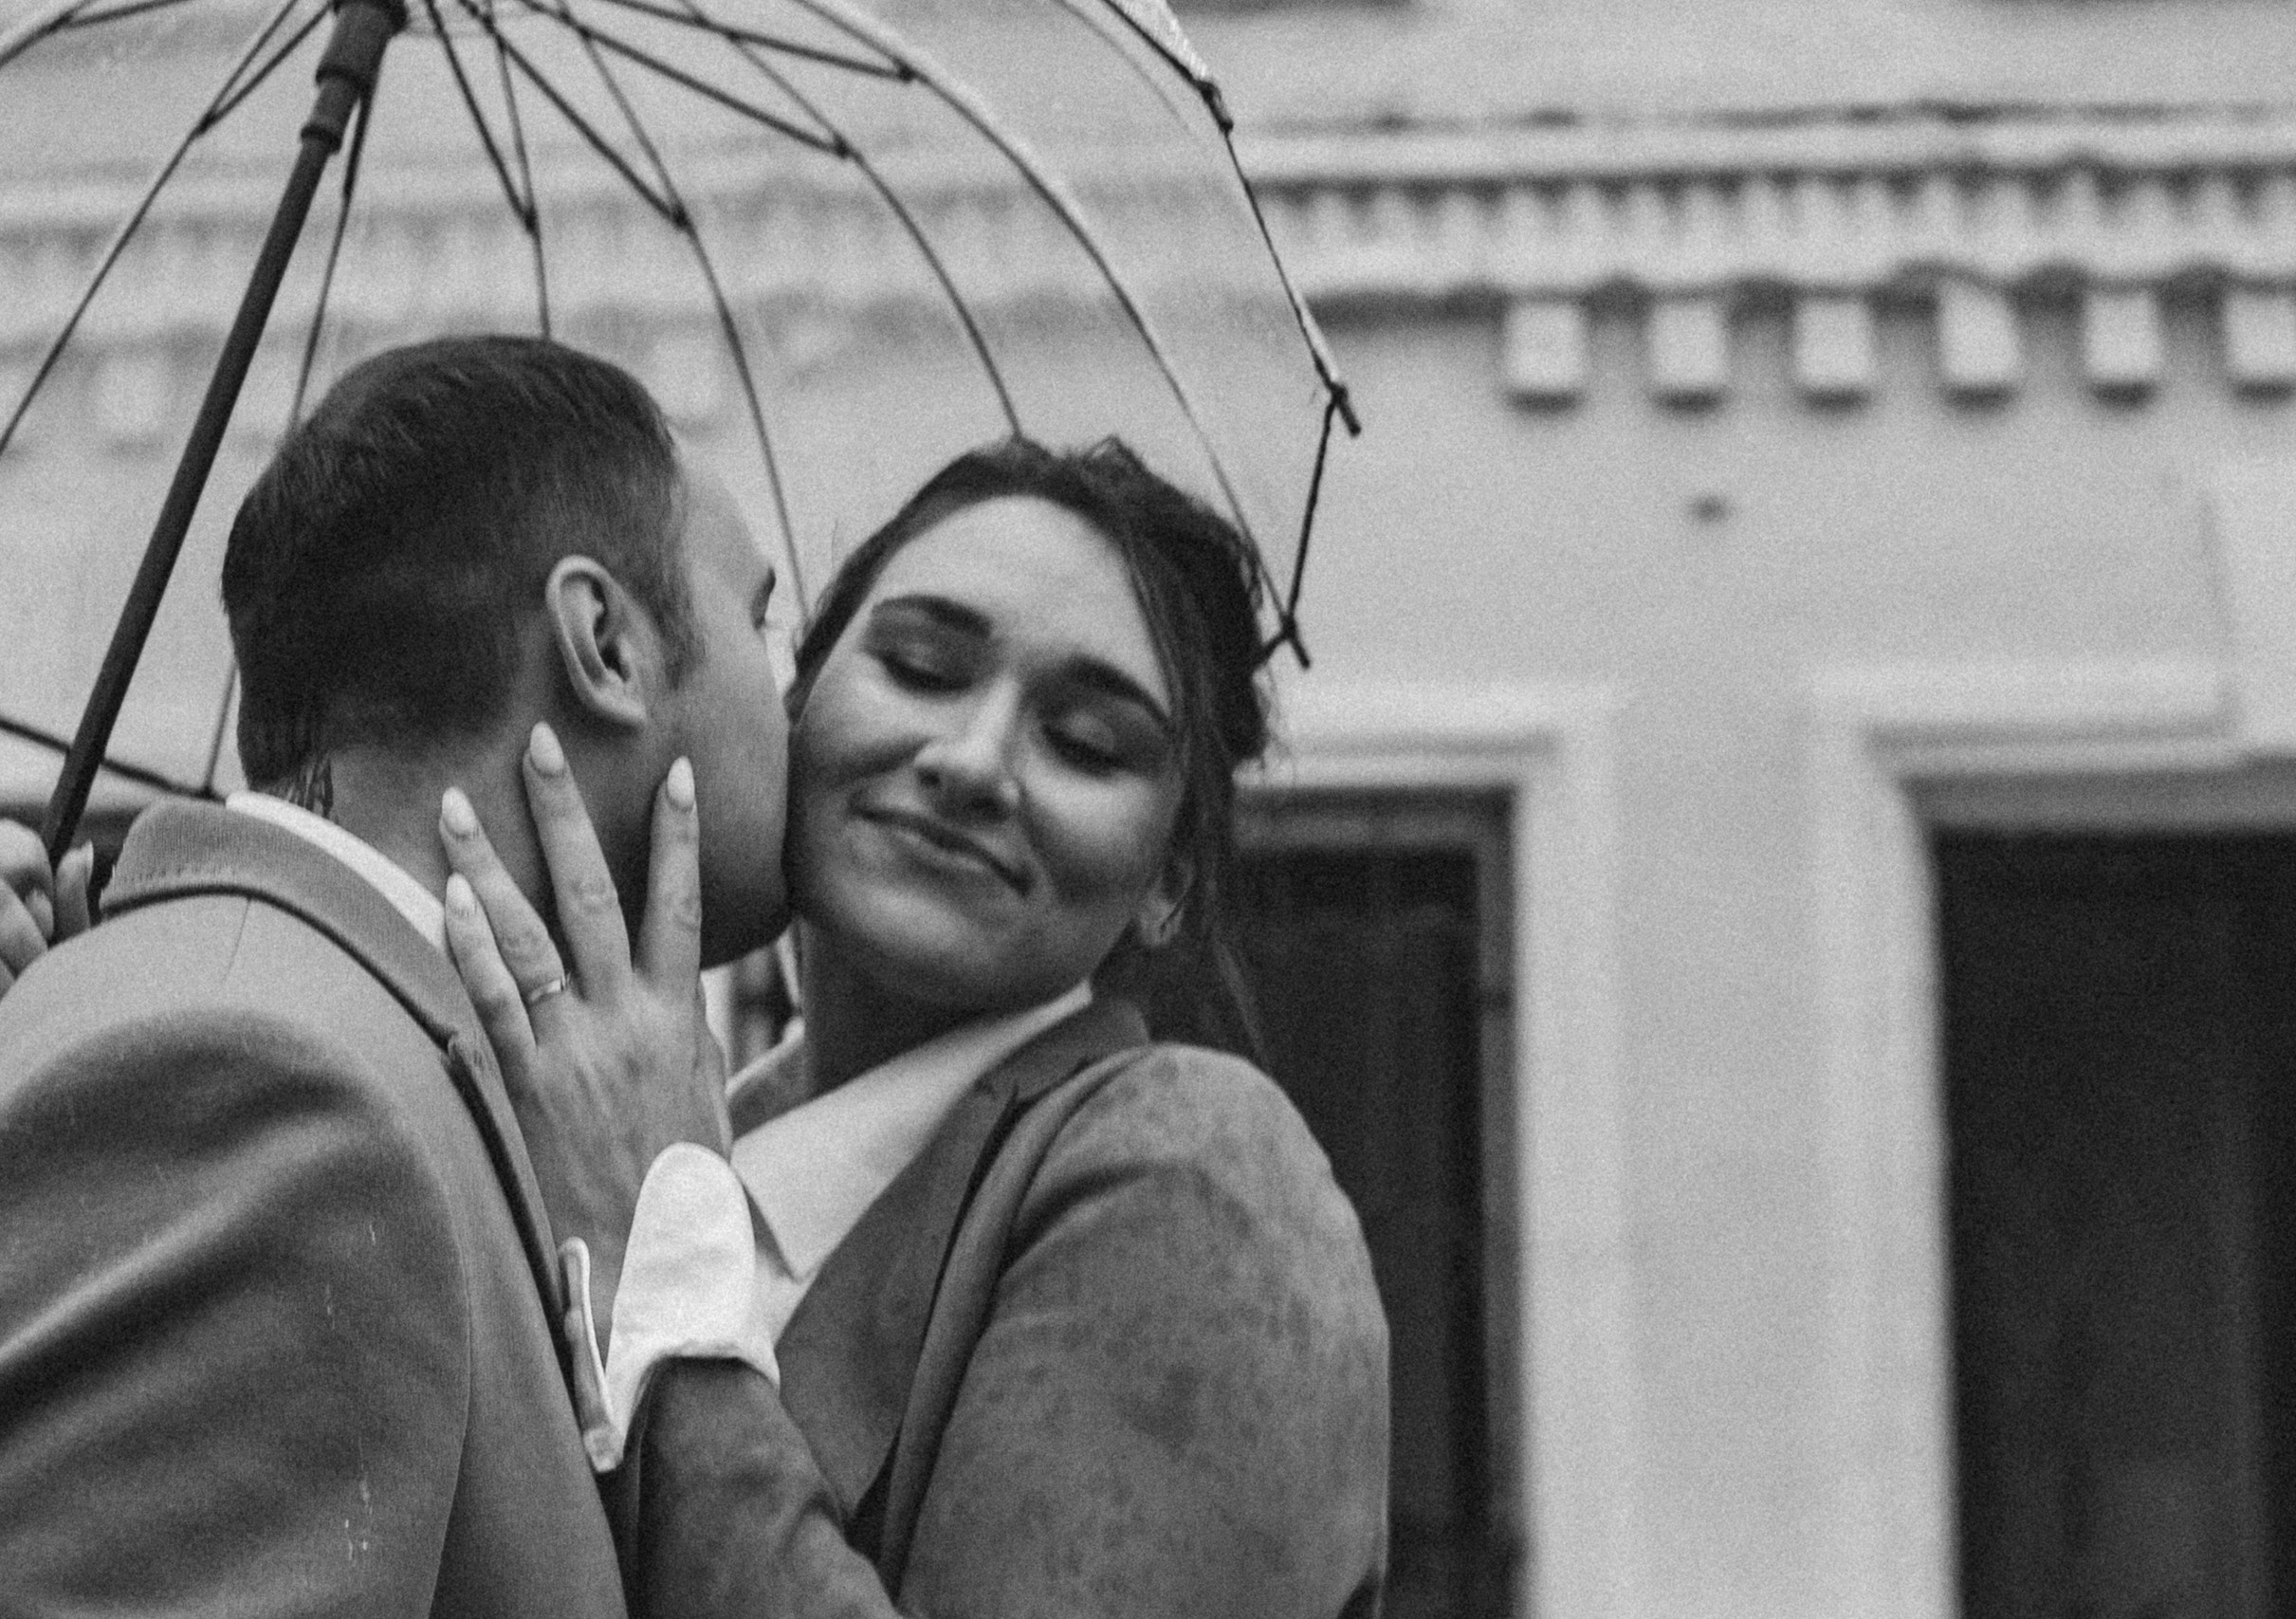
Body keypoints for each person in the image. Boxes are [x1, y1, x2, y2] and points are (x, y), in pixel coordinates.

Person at [437, 437, 1393, 1618]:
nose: (973, 763)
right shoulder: (675, 1135)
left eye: (1087, 744)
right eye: (921, 667)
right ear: (795, 703)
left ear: (1170, 882)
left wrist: (663, 1257)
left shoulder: (1199, 1172)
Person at [0, 334, 793, 1614]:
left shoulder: (345, 1048)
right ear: (604, 640)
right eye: (763, 621)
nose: (794, 698)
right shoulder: (274, 1088)